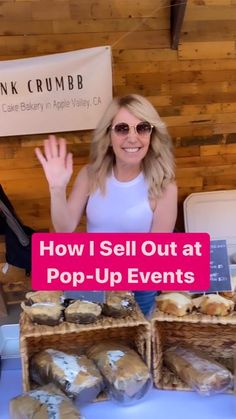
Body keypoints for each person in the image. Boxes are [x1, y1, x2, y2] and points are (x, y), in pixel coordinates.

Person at [35, 94, 178, 315]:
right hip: (91, 285)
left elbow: (156, 255)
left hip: (137, 291)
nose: (133, 138)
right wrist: (57, 189)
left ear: (152, 134)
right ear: (108, 134)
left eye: (142, 128)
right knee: (95, 347)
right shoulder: (90, 174)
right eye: (122, 128)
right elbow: (64, 228)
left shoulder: (165, 186)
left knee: (134, 348)